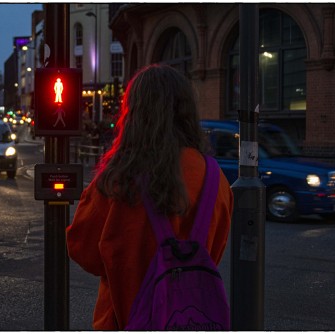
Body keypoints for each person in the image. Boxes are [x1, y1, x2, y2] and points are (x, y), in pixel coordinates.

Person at [66, 64, 234, 330]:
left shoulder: (119, 179)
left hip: (125, 320)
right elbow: (213, 251)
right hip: (191, 319)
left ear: (134, 112)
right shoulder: (217, 179)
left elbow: (83, 250)